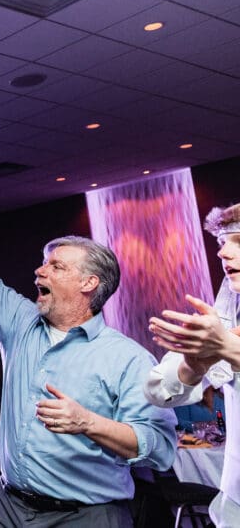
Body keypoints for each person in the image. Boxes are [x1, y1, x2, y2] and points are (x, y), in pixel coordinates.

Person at [0, 170, 176, 526]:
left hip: (84, 516)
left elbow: (159, 447)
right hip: (5, 506)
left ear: (88, 283)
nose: (40, 271)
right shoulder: (20, 324)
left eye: (56, 265)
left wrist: (89, 423)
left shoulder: (126, 358)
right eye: (43, 261)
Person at [144, 203, 240, 524]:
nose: (223, 253)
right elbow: (157, 390)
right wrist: (192, 366)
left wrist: (228, 348)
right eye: (220, 243)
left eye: (237, 241)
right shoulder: (222, 322)